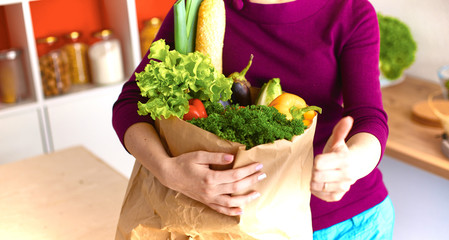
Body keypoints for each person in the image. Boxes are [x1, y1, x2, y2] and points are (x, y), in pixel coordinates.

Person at [112, 0, 395, 239]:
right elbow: (131, 103)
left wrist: (352, 164)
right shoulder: (200, 7)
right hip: (242, 226)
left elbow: (368, 117)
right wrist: (167, 170)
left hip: (350, 223)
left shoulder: (350, 11)